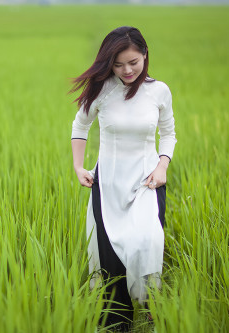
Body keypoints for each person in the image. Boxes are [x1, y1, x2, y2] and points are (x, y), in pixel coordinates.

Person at [70, 26, 177, 331]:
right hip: (109, 185)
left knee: (148, 242)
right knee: (112, 257)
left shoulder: (159, 91)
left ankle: (155, 312)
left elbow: (168, 133)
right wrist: (79, 167)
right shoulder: (102, 90)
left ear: (145, 55)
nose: (126, 70)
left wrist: (162, 166)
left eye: (133, 62)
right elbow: (80, 127)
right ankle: (118, 324)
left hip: (148, 181)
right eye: (118, 64)